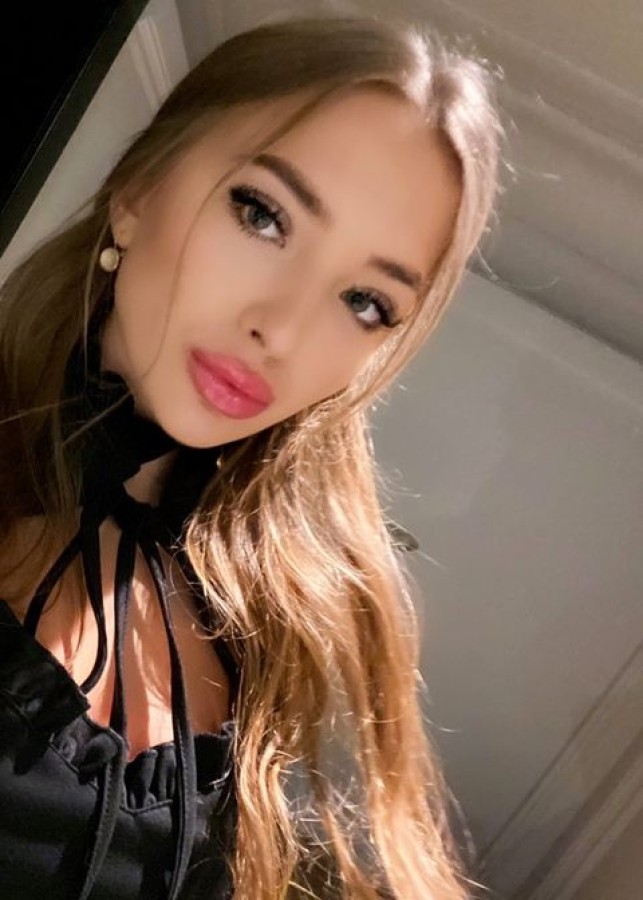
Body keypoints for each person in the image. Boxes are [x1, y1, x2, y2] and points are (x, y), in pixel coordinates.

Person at [0, 13, 502, 900]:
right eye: (262, 216)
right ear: (139, 187)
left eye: (365, 301)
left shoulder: (254, 635)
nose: (283, 327)